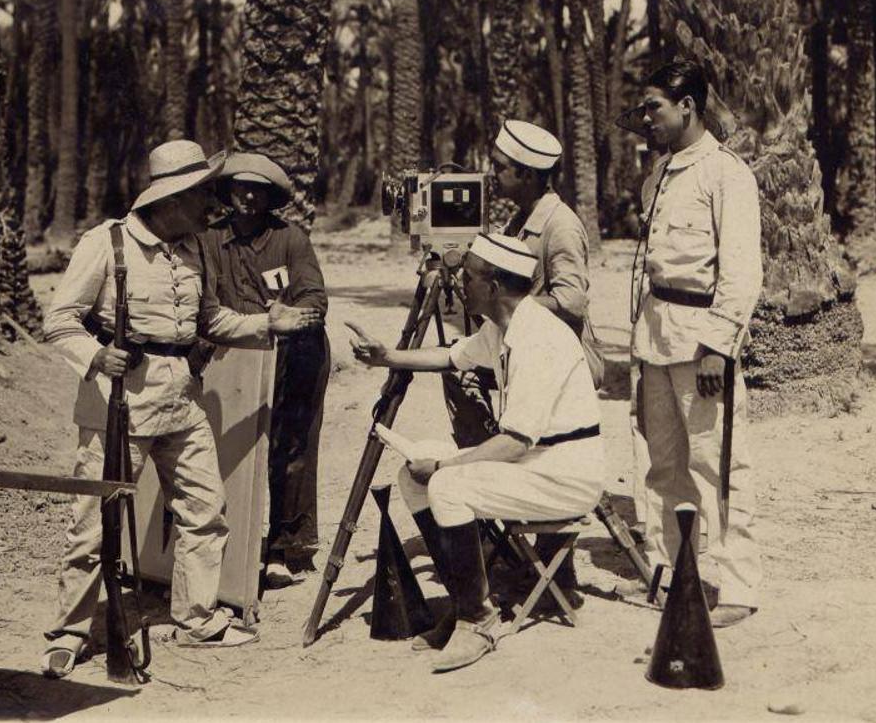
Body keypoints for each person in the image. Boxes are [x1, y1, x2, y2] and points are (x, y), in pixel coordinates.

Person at [40, 140, 322, 677]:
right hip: (116, 408)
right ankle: (69, 632)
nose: (210, 206)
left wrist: (268, 324)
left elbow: (210, 321)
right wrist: (97, 356)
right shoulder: (108, 244)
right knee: (94, 527)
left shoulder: (194, 248)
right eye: (200, 196)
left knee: (204, 510)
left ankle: (196, 618)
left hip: (181, 401)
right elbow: (60, 320)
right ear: (170, 199)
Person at [348, 233, 604, 673]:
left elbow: (515, 442)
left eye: (468, 277)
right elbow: (451, 358)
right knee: (413, 473)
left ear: (496, 286)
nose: (458, 286)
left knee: (446, 483)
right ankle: (465, 598)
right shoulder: (503, 325)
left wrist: (446, 466)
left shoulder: (538, 338)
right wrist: (386, 356)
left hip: (567, 473)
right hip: (537, 462)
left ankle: (478, 620)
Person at [627, 60, 762, 629]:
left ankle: (736, 584)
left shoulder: (727, 175)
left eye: (654, 107)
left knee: (717, 465)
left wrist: (717, 345)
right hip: (655, 333)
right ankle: (672, 572)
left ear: (688, 107)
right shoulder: (658, 174)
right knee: (662, 465)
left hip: (700, 334)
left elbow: (741, 270)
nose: (645, 118)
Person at [199, 152, 329, 587]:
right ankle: (233, 546)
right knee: (230, 449)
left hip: (293, 356)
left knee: (290, 449)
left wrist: (292, 315)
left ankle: (285, 548)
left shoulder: (290, 239)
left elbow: (315, 299)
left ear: (271, 196)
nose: (249, 196)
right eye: (240, 187)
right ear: (227, 191)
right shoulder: (209, 240)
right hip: (234, 355)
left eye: (258, 189)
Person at [490, 119, 604, 387]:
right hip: (530, 350)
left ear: (527, 175)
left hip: (561, 362)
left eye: (500, 167)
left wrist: (507, 304)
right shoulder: (520, 220)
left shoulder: (560, 226)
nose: (492, 174)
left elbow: (572, 303)